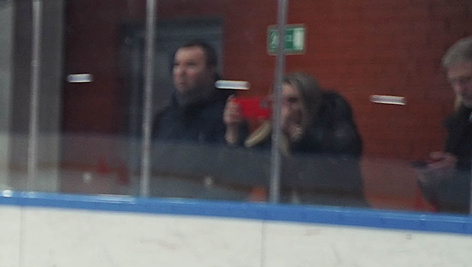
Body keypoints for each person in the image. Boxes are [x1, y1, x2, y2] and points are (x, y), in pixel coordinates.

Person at [226, 70, 366, 205]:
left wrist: (297, 136)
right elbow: (239, 184)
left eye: (292, 101)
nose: (284, 108)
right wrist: (233, 132)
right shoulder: (270, 140)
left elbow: (335, 168)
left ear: (308, 104)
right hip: (286, 214)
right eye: (278, 101)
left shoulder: (330, 130)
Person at [146, 40, 238, 198]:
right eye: (176, 65)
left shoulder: (228, 118)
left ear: (211, 70)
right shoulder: (163, 117)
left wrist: (233, 133)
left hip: (205, 208)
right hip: (161, 205)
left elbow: (235, 177)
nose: (181, 72)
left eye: (191, 65)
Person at [415, 36, 472, 214]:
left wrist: (460, 168)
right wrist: (431, 180)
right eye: (454, 82)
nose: (459, 89)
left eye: (467, 79)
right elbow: (445, 196)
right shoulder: (459, 123)